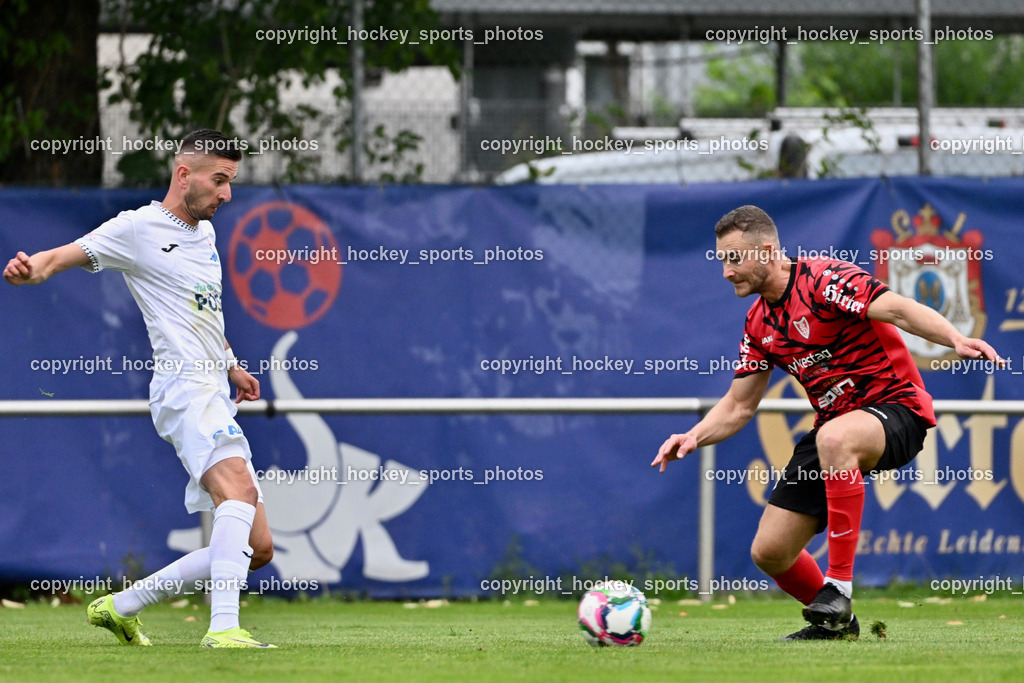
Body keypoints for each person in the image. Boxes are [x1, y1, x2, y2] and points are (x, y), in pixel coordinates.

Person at [651, 205, 1003, 641]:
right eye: (722, 260)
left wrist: (953, 337)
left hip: (897, 409)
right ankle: (838, 626)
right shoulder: (759, 323)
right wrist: (693, 435)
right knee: (770, 552)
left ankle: (838, 586)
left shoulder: (823, 280)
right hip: (835, 430)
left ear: (767, 251)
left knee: (834, 437)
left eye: (734, 258)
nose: (726, 272)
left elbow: (897, 309)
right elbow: (739, 406)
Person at [4, 129, 276, 648]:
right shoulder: (137, 228)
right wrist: (31, 269)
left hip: (212, 387)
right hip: (183, 389)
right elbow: (64, 256)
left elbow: (204, 313)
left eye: (231, 182)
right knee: (237, 492)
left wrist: (232, 365)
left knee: (255, 546)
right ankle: (223, 630)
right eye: (219, 180)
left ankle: (120, 606)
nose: (227, 194)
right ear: (183, 175)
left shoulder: (205, 235)